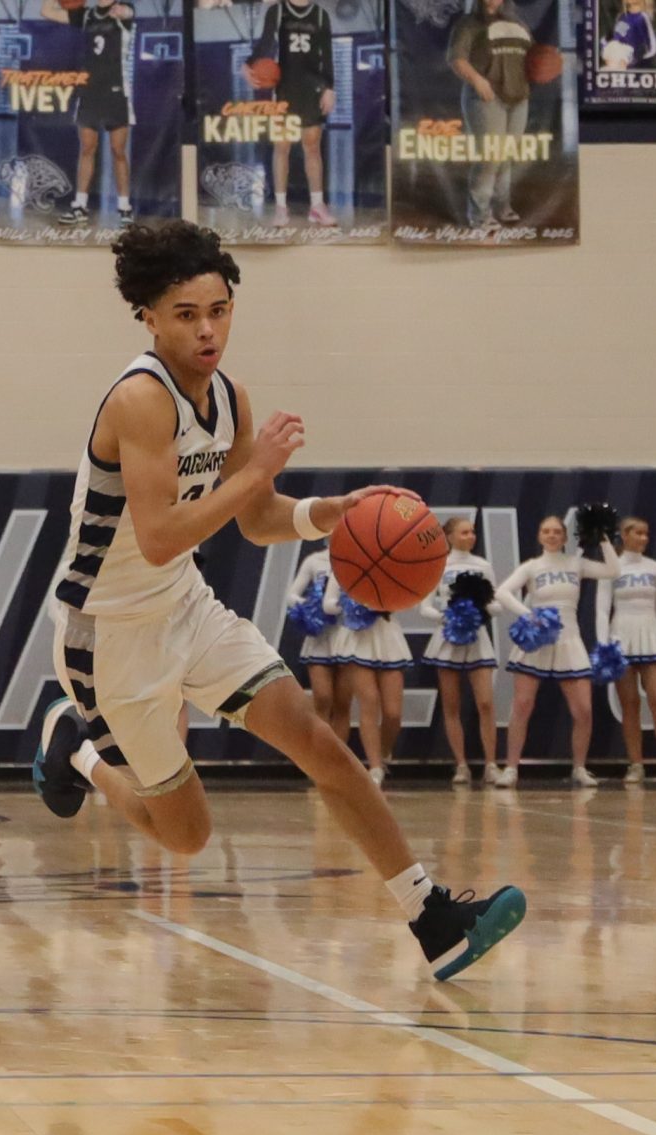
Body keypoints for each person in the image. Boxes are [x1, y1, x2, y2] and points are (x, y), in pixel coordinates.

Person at [32, 219, 525, 982]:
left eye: (219, 310)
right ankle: (78, 751)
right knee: (186, 835)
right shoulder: (139, 399)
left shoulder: (230, 397)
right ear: (150, 318)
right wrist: (254, 469)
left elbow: (255, 518)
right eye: (187, 314)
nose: (207, 330)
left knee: (320, 743)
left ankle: (432, 918)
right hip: (109, 633)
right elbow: (160, 533)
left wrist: (323, 513)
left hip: (185, 607)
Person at [494, 515, 619, 788]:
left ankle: (579, 768)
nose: (551, 535)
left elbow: (612, 570)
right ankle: (511, 768)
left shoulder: (576, 564)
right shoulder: (532, 566)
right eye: (546, 531)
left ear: (564, 537)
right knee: (522, 706)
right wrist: (530, 615)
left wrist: (604, 538)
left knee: (583, 710)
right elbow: (502, 592)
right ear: (539, 536)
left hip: (570, 640)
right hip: (537, 641)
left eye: (557, 532)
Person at [420, 517, 500, 786]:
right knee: (451, 705)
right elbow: (425, 607)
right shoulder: (438, 565)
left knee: (486, 703)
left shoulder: (483, 566)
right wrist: (449, 617)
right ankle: (461, 765)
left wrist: (479, 611)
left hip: (477, 639)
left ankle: (491, 764)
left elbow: (496, 603)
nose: (471, 536)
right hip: (448, 639)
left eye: (473, 532)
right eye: (464, 532)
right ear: (449, 536)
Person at [243, 0, 337, 229]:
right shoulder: (277, 11)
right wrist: (248, 63)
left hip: (312, 89)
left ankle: (317, 206)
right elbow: (266, 42)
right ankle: (281, 208)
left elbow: (327, 55)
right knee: (281, 147)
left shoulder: (321, 15)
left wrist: (329, 88)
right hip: (284, 89)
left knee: (312, 147)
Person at [41, 0, 135, 228]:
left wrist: (122, 11)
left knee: (118, 150)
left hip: (116, 91)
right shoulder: (85, 15)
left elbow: (127, 12)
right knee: (87, 149)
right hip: (90, 91)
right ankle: (79, 206)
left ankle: (124, 207)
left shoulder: (123, 9)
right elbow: (46, 11)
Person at [447, 0, 533, 232]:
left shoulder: (518, 23)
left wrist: (547, 64)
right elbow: (457, 58)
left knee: (506, 156)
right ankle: (479, 215)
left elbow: (533, 59)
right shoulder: (469, 24)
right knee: (490, 157)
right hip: (487, 97)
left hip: (518, 97)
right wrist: (476, 79)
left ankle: (502, 207)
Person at [322, 574, 412, 787]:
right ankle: (375, 768)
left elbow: (407, 599)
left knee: (393, 714)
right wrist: (351, 604)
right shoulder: (343, 568)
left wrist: (383, 602)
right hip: (357, 637)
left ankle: (382, 753)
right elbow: (328, 604)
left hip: (388, 636)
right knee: (368, 703)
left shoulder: (391, 567)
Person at [596, 516, 656, 784]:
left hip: (652, 638)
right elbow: (602, 609)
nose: (644, 538)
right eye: (638, 533)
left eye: (646, 534)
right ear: (624, 535)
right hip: (621, 638)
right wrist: (604, 645)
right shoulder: (611, 567)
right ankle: (635, 764)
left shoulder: (655, 567)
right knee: (630, 705)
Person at [287, 542, 351, 742]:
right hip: (320, 636)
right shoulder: (314, 561)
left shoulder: (357, 560)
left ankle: (339, 763)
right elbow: (291, 595)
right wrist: (311, 606)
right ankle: (320, 756)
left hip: (347, 634)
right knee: (323, 698)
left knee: (343, 703)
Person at [601, 0, 656, 70]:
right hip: (616, 60)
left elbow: (652, 48)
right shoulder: (622, 17)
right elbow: (617, 36)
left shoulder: (642, 17)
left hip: (635, 63)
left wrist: (637, 58)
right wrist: (606, 45)